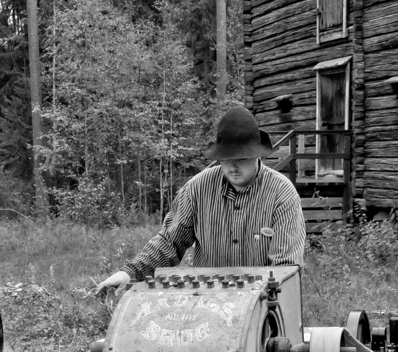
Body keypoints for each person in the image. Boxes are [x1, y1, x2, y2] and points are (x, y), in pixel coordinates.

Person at [95, 104, 306, 292]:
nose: (232, 167)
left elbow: (285, 269)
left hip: (260, 305)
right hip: (206, 301)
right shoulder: (197, 188)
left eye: (241, 159)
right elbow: (169, 242)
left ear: (257, 155)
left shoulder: (282, 193)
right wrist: (129, 273)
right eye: (225, 159)